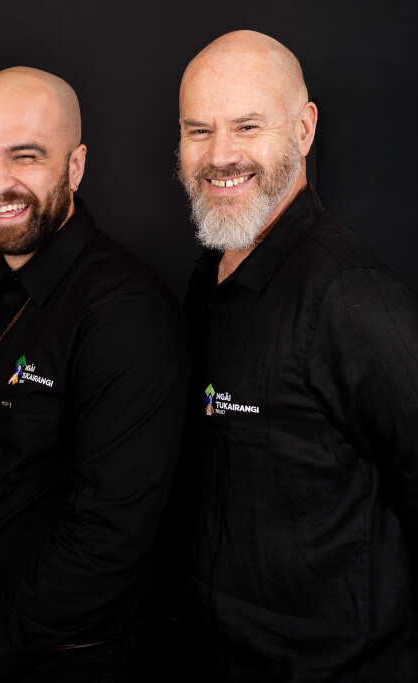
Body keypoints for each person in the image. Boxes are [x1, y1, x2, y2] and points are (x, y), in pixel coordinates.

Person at [0, 67, 189, 683]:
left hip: (66, 664)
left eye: (25, 156)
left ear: (75, 166)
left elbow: (108, 535)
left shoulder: (127, 311)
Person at [176, 30, 418, 680]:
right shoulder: (208, 275)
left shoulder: (351, 294)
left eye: (247, 126)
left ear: (304, 129)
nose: (220, 156)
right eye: (199, 131)